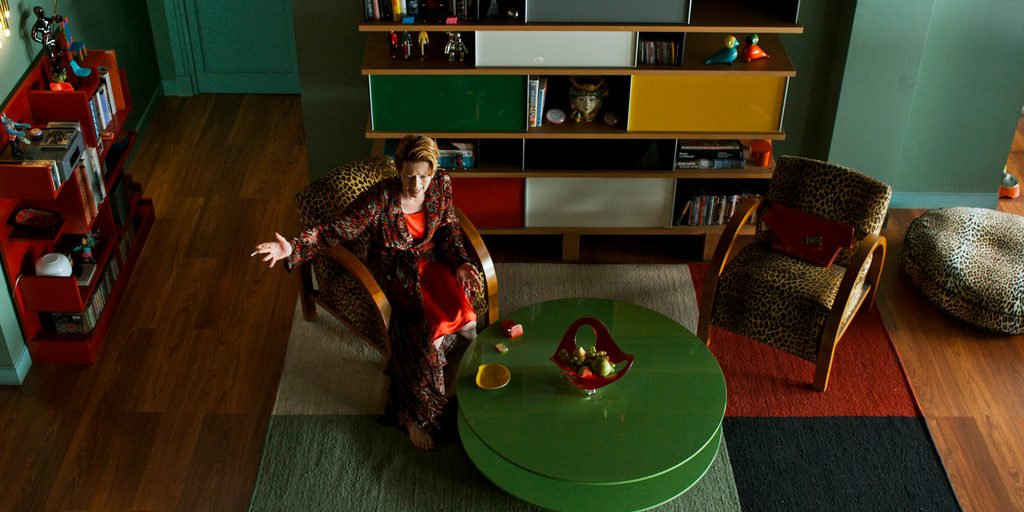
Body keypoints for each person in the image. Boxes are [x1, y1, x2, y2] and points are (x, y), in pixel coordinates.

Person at [254, 135, 481, 450]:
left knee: (467, 318)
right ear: (398, 170)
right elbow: (336, 229)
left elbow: (449, 227)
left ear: (433, 171)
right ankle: (411, 416)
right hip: (394, 268)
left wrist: (461, 263)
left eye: (423, 176)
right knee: (422, 337)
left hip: (429, 260)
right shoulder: (379, 199)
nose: (416, 185)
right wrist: (293, 247)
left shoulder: (441, 183)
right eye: (409, 176)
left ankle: (467, 354)